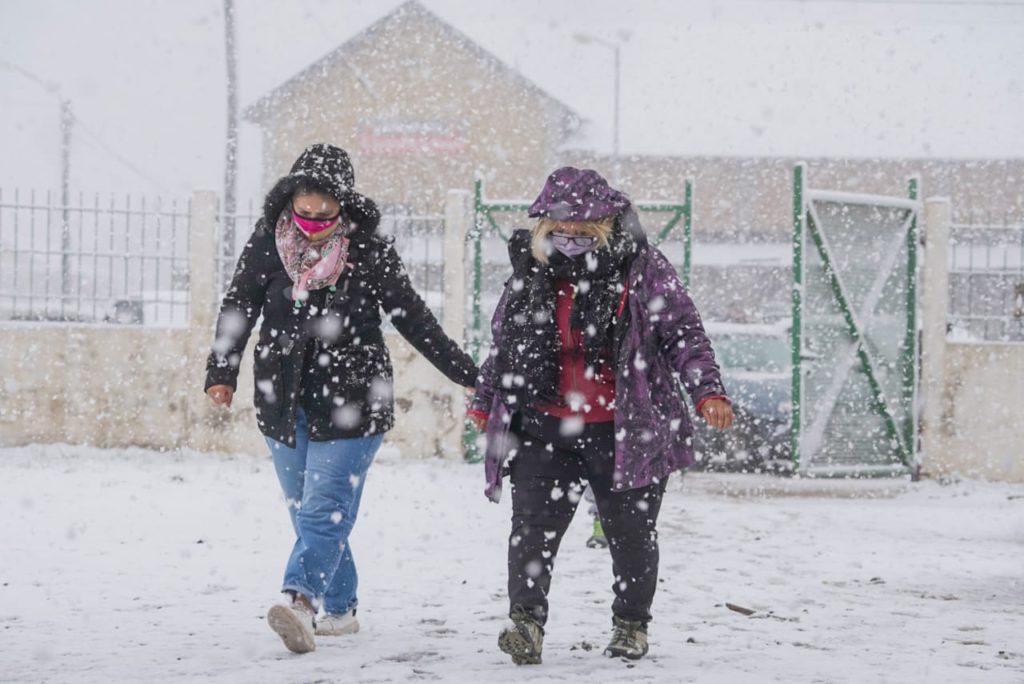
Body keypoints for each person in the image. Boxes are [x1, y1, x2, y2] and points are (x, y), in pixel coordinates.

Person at [205, 144, 477, 654]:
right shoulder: (268, 243)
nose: (311, 222)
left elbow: (413, 318)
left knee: (324, 510)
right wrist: (222, 370)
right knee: (307, 513)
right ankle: (343, 607)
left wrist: (466, 373)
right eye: (303, 211)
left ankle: (300, 601)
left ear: (343, 206)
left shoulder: (369, 250)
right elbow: (238, 307)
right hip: (281, 398)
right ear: (290, 200)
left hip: (354, 397)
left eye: (324, 213)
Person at [467, 167, 733, 664]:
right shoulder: (532, 270)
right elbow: (506, 343)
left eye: (584, 234)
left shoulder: (640, 269)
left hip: (624, 429)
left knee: (630, 533)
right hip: (544, 425)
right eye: (561, 233)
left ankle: (631, 624)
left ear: (607, 229)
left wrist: (707, 391)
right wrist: (485, 401)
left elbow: (682, 333)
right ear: (545, 230)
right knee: (531, 530)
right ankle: (526, 623)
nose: (571, 241)